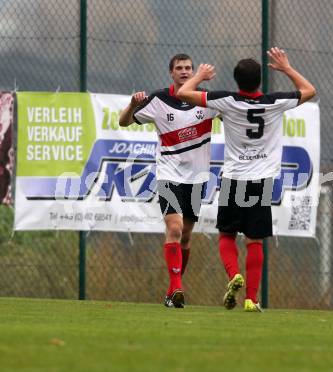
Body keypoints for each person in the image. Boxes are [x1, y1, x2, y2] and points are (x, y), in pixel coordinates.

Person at [177, 47, 316, 312]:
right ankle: (251, 299)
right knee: (255, 240)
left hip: (234, 178)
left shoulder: (226, 100)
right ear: (260, 81)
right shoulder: (275, 102)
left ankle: (233, 276)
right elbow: (309, 90)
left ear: (236, 81)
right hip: (262, 181)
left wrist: (201, 76)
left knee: (226, 235)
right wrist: (286, 67)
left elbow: (183, 93)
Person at [119, 54, 218, 308]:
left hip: (197, 179)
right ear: (171, 73)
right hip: (169, 175)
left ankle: (172, 291)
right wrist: (131, 105)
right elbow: (123, 121)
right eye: (180, 68)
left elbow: (237, 113)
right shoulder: (159, 100)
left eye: (188, 68)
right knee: (173, 228)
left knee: (185, 237)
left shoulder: (206, 100)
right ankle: (177, 288)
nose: (185, 71)